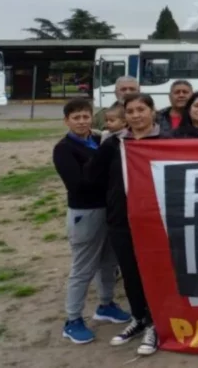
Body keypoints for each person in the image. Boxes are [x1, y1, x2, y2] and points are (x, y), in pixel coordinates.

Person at [85, 93, 171, 356]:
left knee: (157, 272)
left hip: (157, 220)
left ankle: (157, 324)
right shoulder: (114, 144)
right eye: (130, 111)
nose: (136, 115)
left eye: (141, 109)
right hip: (122, 220)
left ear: (152, 111)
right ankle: (139, 317)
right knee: (131, 272)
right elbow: (92, 175)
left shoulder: (167, 142)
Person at [53, 98, 130, 344]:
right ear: (67, 121)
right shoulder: (64, 148)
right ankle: (72, 319)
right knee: (83, 266)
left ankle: (106, 305)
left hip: (108, 209)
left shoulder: (98, 139)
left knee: (108, 262)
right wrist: (107, 175)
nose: (82, 121)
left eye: (85, 116)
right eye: (76, 117)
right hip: (85, 213)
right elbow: (78, 184)